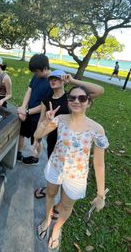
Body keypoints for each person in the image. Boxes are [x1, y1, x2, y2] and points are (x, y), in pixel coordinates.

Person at [35, 85, 109, 250]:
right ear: (68, 101)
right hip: (55, 167)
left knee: (67, 206)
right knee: (50, 195)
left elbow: (99, 164)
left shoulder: (96, 129)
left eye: (82, 98)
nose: (76, 101)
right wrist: (46, 121)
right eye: (72, 98)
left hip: (76, 176)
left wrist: (100, 194)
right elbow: (37, 135)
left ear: (88, 103)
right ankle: (47, 220)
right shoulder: (60, 119)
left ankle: (56, 229)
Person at [17, 54, 52, 163]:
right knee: (21, 133)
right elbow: (29, 90)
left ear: (45, 68)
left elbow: (44, 106)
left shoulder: (53, 82)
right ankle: (19, 153)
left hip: (39, 118)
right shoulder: (36, 76)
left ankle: (35, 158)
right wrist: (23, 107)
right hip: (28, 112)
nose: (35, 74)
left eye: (36, 71)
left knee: (36, 139)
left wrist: (27, 111)